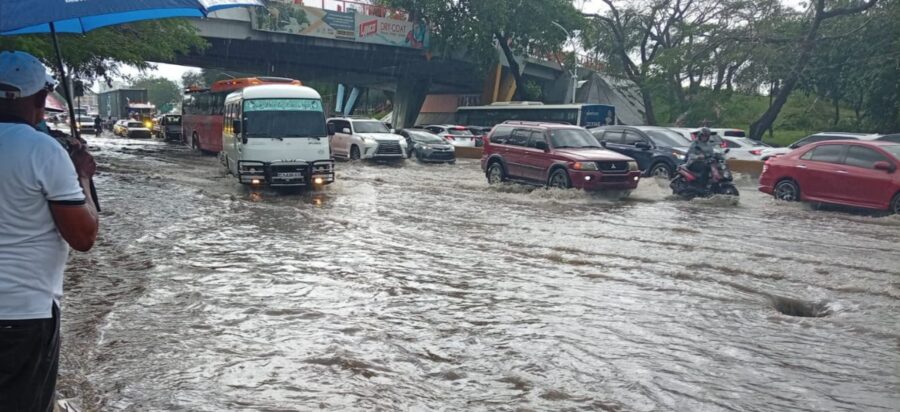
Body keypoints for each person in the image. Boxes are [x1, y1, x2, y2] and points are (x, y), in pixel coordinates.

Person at [0, 51, 99, 412]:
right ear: (41, 99)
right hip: (22, 315)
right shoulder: (42, 151)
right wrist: (82, 176)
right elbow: (83, 237)